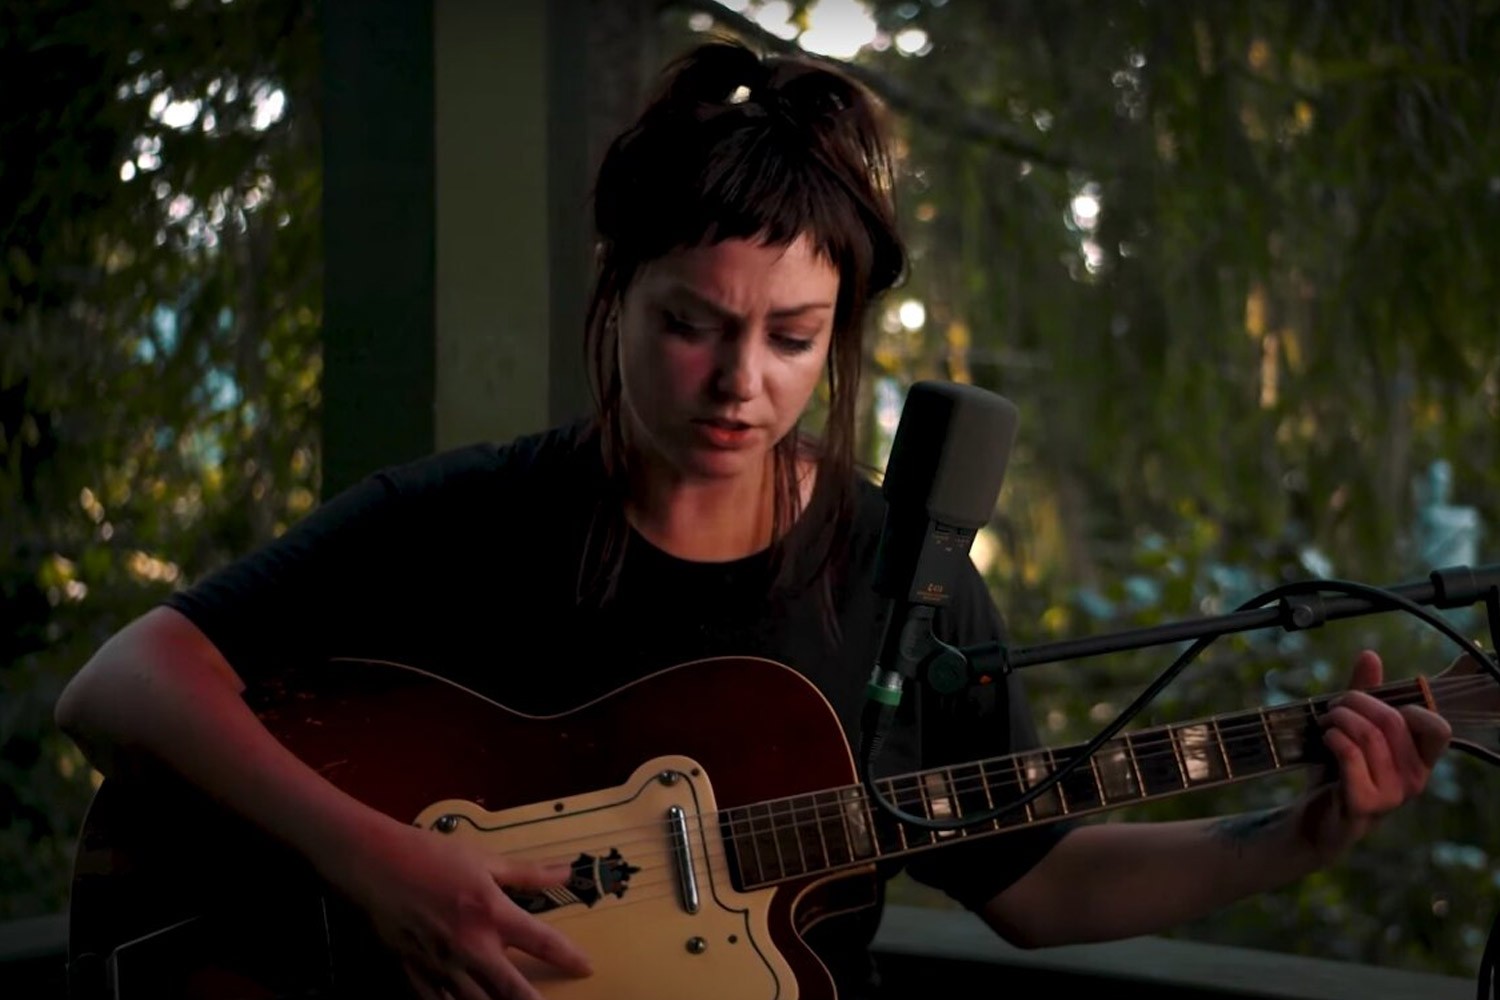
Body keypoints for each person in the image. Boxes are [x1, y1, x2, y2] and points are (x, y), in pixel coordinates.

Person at [55, 37, 1452, 1000]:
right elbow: (124, 682)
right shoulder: (465, 518)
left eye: (793, 338)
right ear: (616, 297)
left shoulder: (904, 583)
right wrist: (381, 864)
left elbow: (1028, 883)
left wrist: (1296, 836)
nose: (741, 384)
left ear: (840, 335)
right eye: (693, 326)